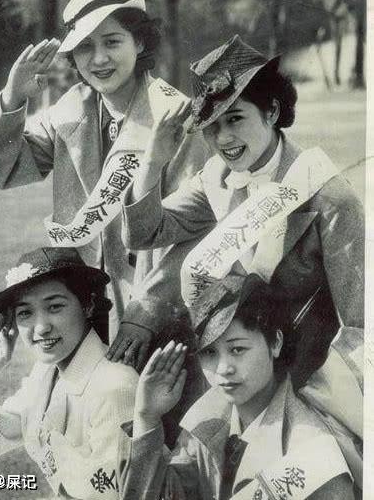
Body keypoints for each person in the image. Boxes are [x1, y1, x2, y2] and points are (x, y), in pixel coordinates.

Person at [0, 0, 211, 369]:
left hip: (153, 313)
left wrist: (148, 311)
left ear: (139, 42)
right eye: (85, 46)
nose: (99, 59)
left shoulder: (175, 117)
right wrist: (13, 99)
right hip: (81, 310)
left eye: (112, 42)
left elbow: (199, 229)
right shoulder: (71, 110)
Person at [122, 34, 364, 385]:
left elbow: (359, 327)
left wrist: (315, 397)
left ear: (272, 111)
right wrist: (153, 162)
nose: (223, 139)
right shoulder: (217, 178)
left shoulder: (329, 197)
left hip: (310, 379)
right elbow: (144, 233)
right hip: (232, 373)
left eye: (235, 119)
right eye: (211, 127)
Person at [119, 275, 361, 500]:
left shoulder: (309, 447)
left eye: (238, 349)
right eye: (209, 353)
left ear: (275, 343)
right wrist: (147, 418)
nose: (223, 368)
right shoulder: (208, 418)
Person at [0, 247, 139, 499]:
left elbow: (112, 493)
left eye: (55, 307)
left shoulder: (114, 387)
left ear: (88, 305)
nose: (41, 328)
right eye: (25, 312)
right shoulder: (46, 373)